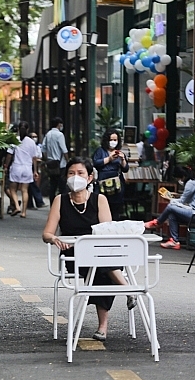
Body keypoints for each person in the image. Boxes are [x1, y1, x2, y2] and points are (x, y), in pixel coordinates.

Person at [42, 157, 136, 342]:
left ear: (90, 177)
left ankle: (102, 327)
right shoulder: (60, 201)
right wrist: (54, 239)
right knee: (102, 267)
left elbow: (107, 231)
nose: (75, 177)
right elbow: (47, 233)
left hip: (101, 251)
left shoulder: (99, 199)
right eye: (71, 173)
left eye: (80, 173)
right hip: (74, 254)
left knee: (101, 267)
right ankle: (128, 289)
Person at [145, 166, 195, 249]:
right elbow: (187, 198)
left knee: (171, 206)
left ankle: (157, 222)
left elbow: (182, 201)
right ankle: (174, 241)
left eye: (178, 178)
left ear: (183, 176)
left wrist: (169, 199)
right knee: (172, 215)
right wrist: (176, 196)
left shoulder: (190, 184)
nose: (179, 181)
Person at [4, 121, 39, 218]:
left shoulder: (14, 140)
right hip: (27, 168)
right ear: (27, 130)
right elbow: (34, 158)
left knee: (12, 189)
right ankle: (24, 212)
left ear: (18, 129)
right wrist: (35, 171)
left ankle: (16, 206)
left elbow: (9, 155)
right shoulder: (32, 142)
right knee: (24, 190)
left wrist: (6, 166)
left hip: (16, 167)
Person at [92, 129, 129, 221]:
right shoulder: (100, 151)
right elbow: (96, 163)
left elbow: (125, 169)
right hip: (103, 182)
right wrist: (109, 159)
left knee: (115, 208)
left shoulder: (120, 152)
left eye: (115, 140)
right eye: (111, 140)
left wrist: (123, 159)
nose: (113, 142)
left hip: (116, 183)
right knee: (101, 205)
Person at [43, 117, 69, 204]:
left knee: (53, 186)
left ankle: (52, 204)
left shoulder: (48, 134)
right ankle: (62, 205)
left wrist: (47, 159)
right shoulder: (59, 135)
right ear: (59, 125)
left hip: (51, 163)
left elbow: (43, 149)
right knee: (62, 186)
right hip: (60, 164)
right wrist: (67, 161)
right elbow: (64, 150)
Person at [28, 132, 46, 209]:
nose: (35, 138)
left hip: (35, 166)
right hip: (29, 166)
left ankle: (31, 203)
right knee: (32, 185)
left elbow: (39, 157)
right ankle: (38, 201)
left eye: (36, 136)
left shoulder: (38, 147)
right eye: (33, 137)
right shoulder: (28, 146)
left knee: (31, 185)